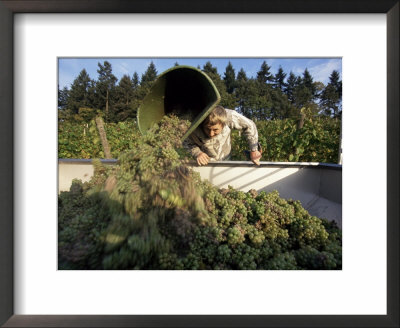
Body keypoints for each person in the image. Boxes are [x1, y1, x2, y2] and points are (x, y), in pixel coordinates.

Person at [183, 105, 262, 166]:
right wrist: (198, 153)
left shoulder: (229, 116)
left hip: (225, 158)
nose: (211, 134)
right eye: (207, 129)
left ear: (223, 124)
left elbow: (250, 125)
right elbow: (186, 142)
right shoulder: (194, 124)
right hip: (206, 163)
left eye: (215, 130)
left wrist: (254, 150)